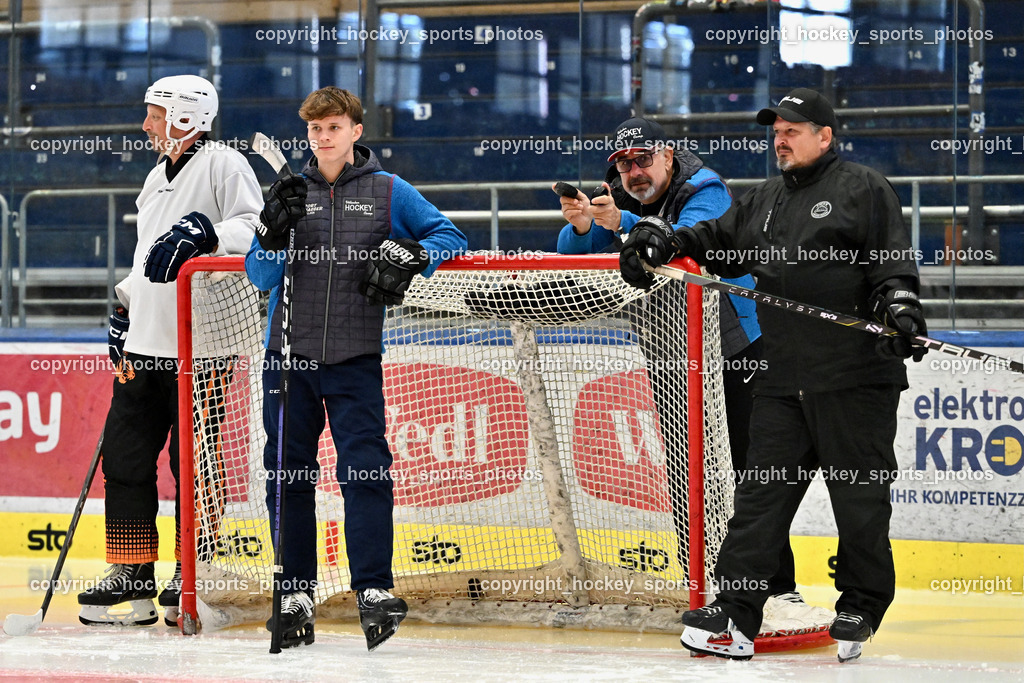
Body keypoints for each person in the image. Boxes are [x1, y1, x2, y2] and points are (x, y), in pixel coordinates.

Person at [619, 88, 926, 662]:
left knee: (857, 500)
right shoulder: (764, 200)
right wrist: (660, 238)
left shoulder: (863, 188)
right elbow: (712, 240)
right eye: (776, 130)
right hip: (783, 379)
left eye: (793, 129)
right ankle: (735, 615)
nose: (780, 139)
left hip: (854, 377)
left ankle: (860, 604)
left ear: (825, 135)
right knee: (760, 498)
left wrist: (900, 305)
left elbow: (892, 265)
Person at [244, 86, 467, 651]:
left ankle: (373, 588)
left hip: (355, 358)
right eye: (315, 129)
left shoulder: (390, 192)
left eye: (334, 127)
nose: (324, 137)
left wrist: (413, 254)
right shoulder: (288, 192)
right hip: (288, 359)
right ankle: (294, 590)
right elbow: (259, 276)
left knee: (366, 471)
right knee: (288, 474)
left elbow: (449, 235)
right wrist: (271, 232)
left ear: (355, 131)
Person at [555, 118, 807, 604]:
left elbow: (688, 240)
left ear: (668, 155)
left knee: (750, 470)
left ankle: (779, 588)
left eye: (643, 160)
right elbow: (571, 253)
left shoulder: (706, 187)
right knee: (684, 470)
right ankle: (706, 580)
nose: (634, 173)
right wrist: (585, 224)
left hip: (737, 349)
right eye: (625, 165)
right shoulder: (619, 197)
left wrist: (622, 225)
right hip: (670, 349)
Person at [77, 75, 262, 627]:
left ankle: (193, 569)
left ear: (186, 115)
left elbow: (258, 230)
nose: (146, 124)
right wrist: (123, 308)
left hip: (200, 348)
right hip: (144, 346)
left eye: (154, 114)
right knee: (127, 461)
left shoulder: (224, 163)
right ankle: (132, 572)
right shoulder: (155, 176)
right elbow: (144, 261)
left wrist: (207, 230)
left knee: (194, 466)